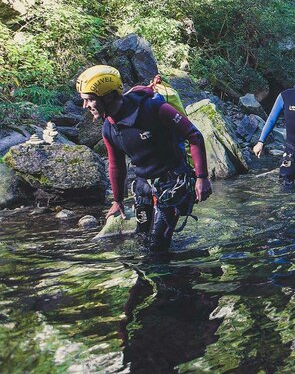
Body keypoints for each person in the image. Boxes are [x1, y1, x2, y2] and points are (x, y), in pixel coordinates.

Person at [76, 65, 212, 252]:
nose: (86, 106)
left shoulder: (153, 108)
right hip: (143, 187)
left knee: (157, 245)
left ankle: (178, 276)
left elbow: (194, 135)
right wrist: (118, 201)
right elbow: (117, 165)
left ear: (107, 96)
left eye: (90, 100)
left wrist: (201, 178)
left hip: (173, 183)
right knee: (142, 239)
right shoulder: (108, 128)